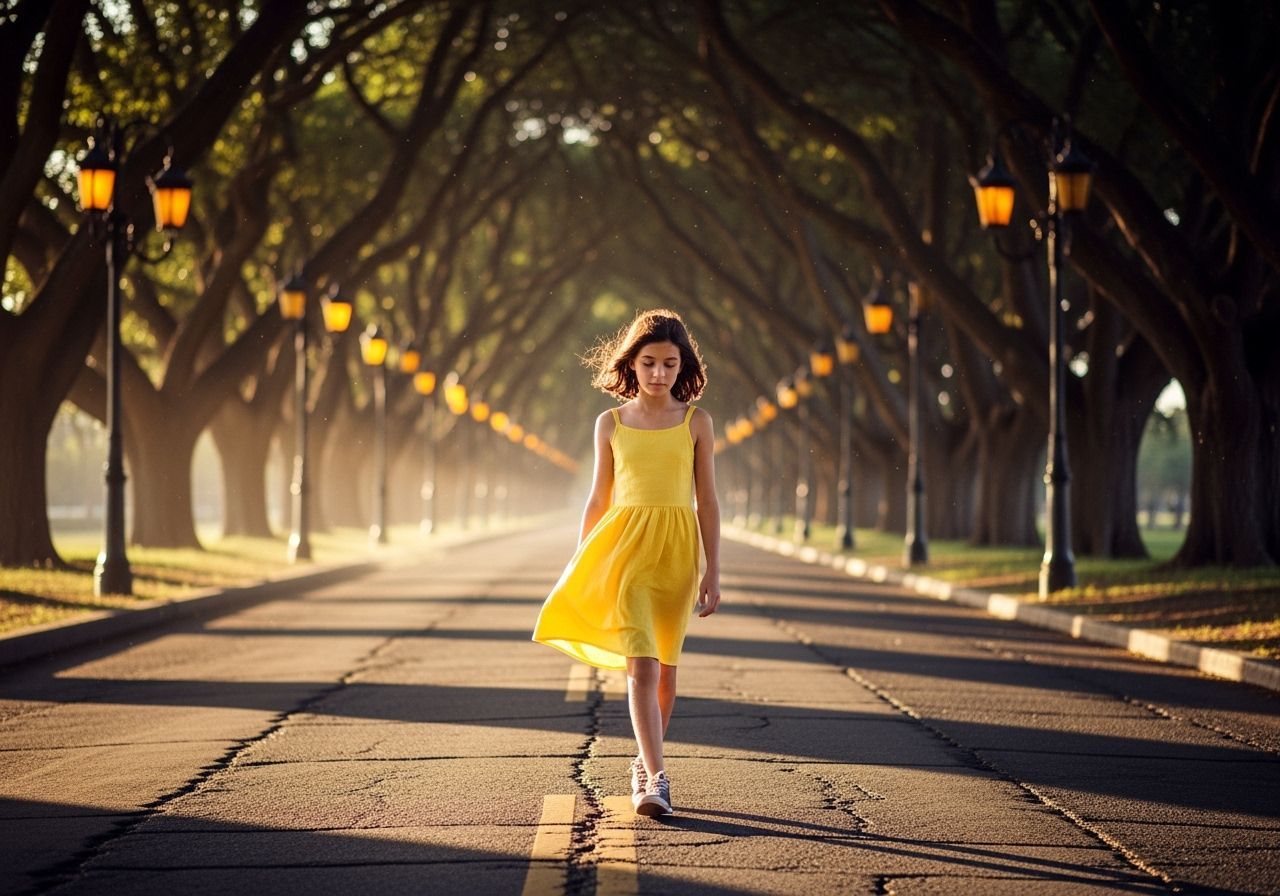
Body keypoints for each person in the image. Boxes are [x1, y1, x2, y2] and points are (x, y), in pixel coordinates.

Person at [532, 309, 721, 817]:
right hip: (626, 550)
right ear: (632, 365)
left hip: (678, 555)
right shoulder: (610, 423)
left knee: (665, 672)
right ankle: (656, 778)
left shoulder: (696, 422)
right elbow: (598, 497)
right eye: (650, 362)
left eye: (669, 363)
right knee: (640, 663)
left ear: (682, 367)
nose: (659, 373)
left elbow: (708, 499)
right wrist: (581, 557)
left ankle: (643, 759)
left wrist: (713, 571)